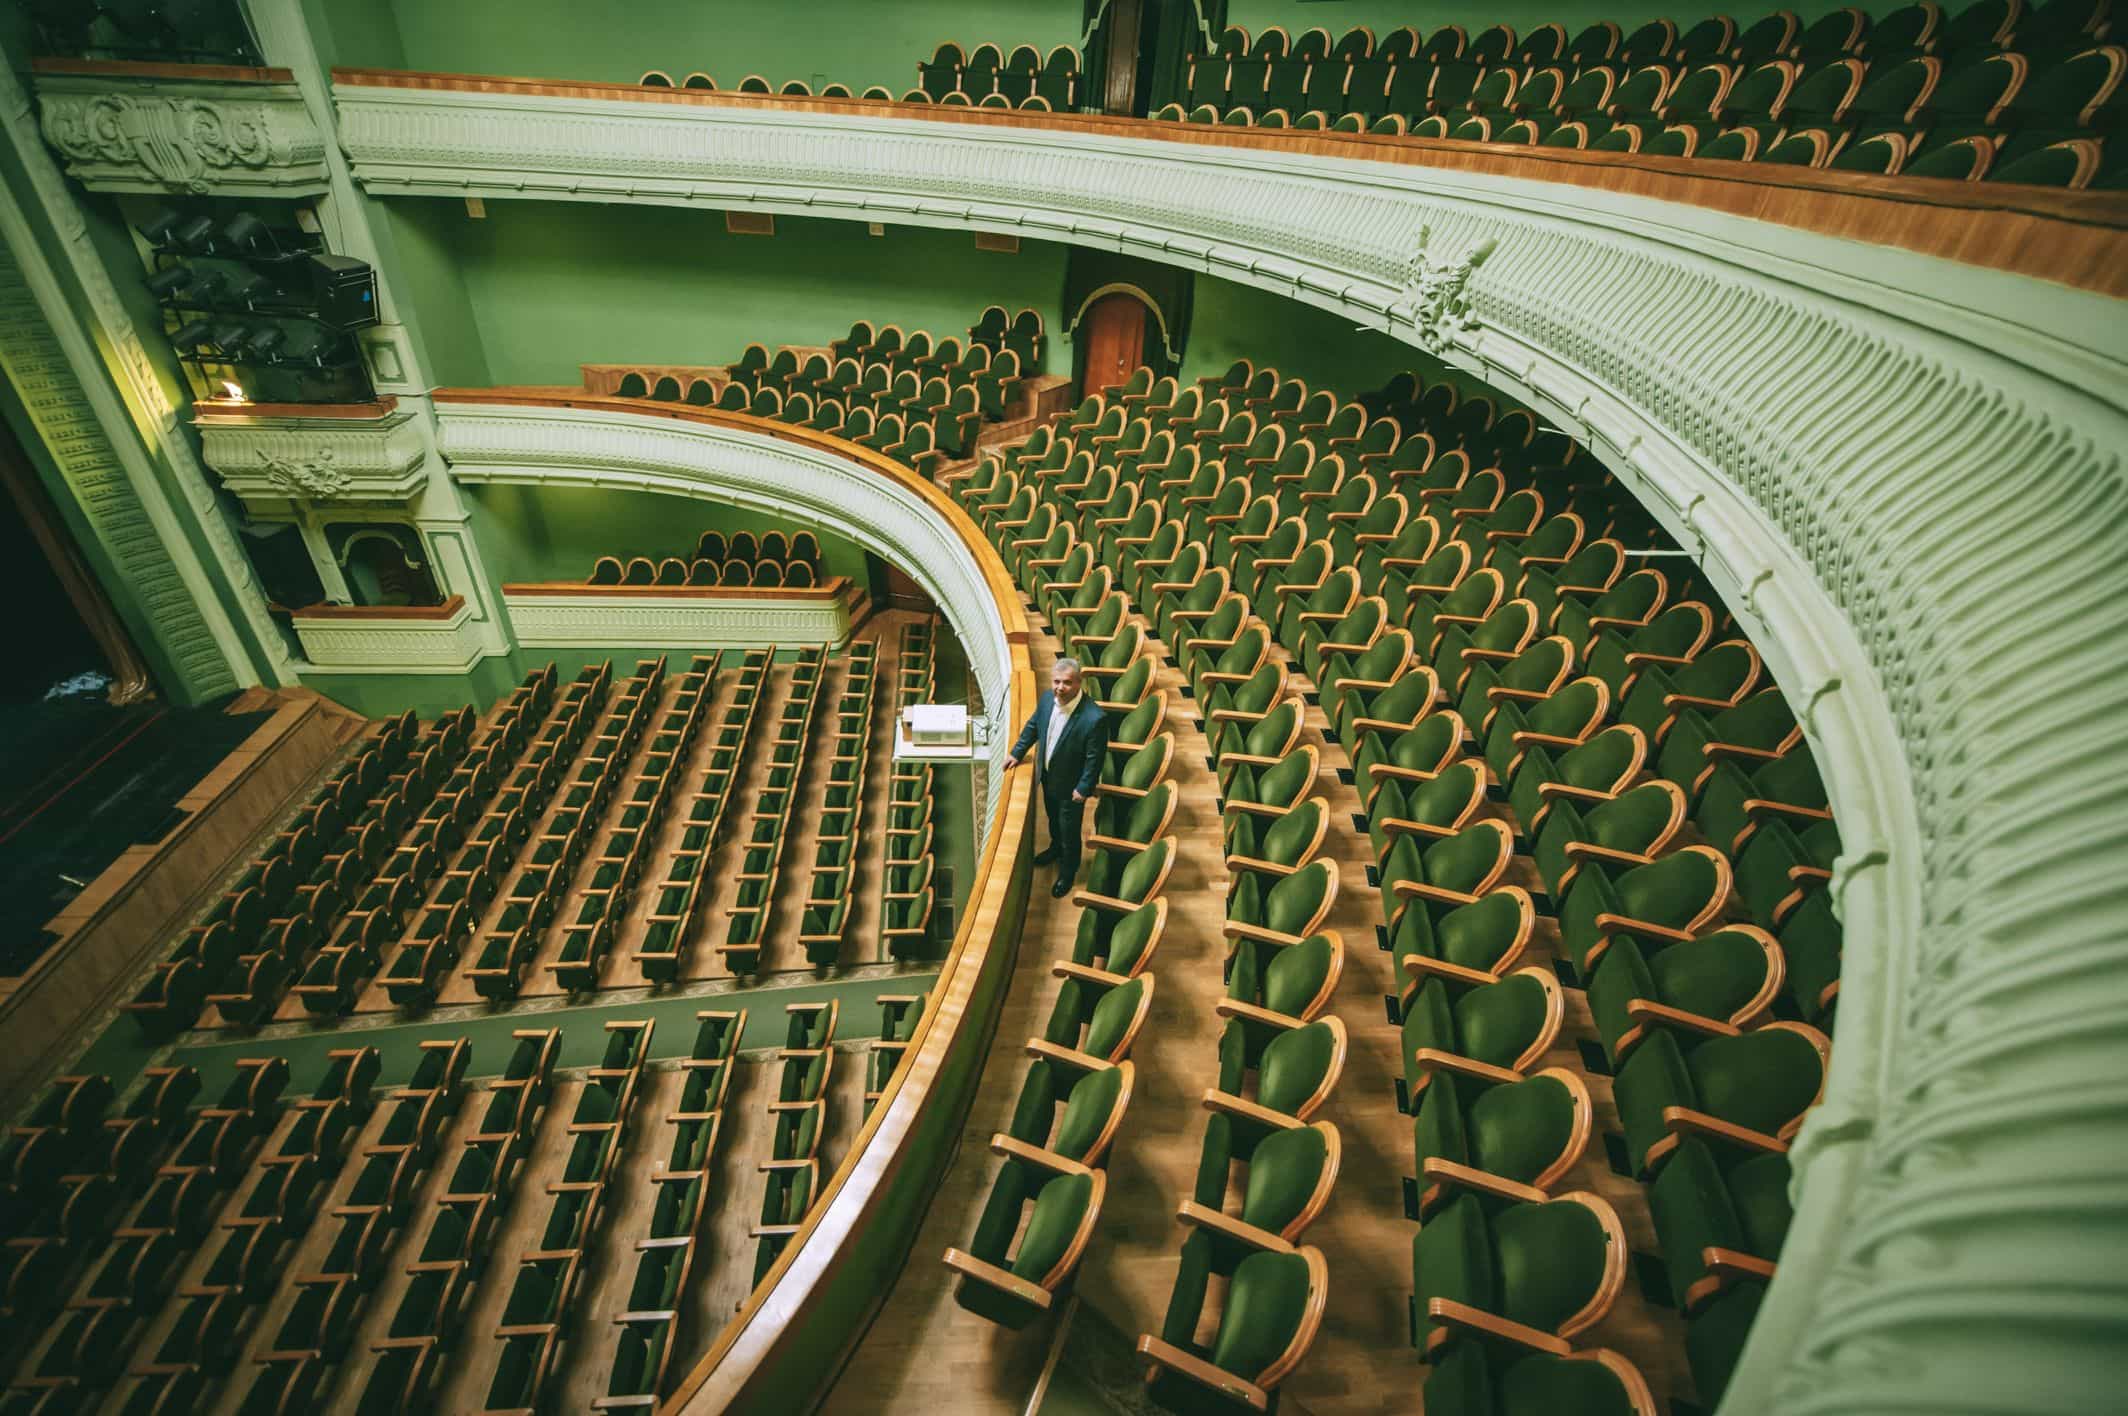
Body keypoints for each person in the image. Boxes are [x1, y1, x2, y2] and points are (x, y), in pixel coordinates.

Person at [1004, 656, 1110, 897]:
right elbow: (1033, 726)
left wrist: (1083, 788)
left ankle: (1068, 871)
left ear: (1079, 683)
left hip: (1072, 787)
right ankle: (1055, 847)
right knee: (1053, 820)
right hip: (1049, 777)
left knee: (1069, 830)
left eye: (1067, 683)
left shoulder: (1094, 718)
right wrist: (1017, 752)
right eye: (1056, 681)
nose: (1060, 688)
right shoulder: (1046, 700)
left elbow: (1095, 759)